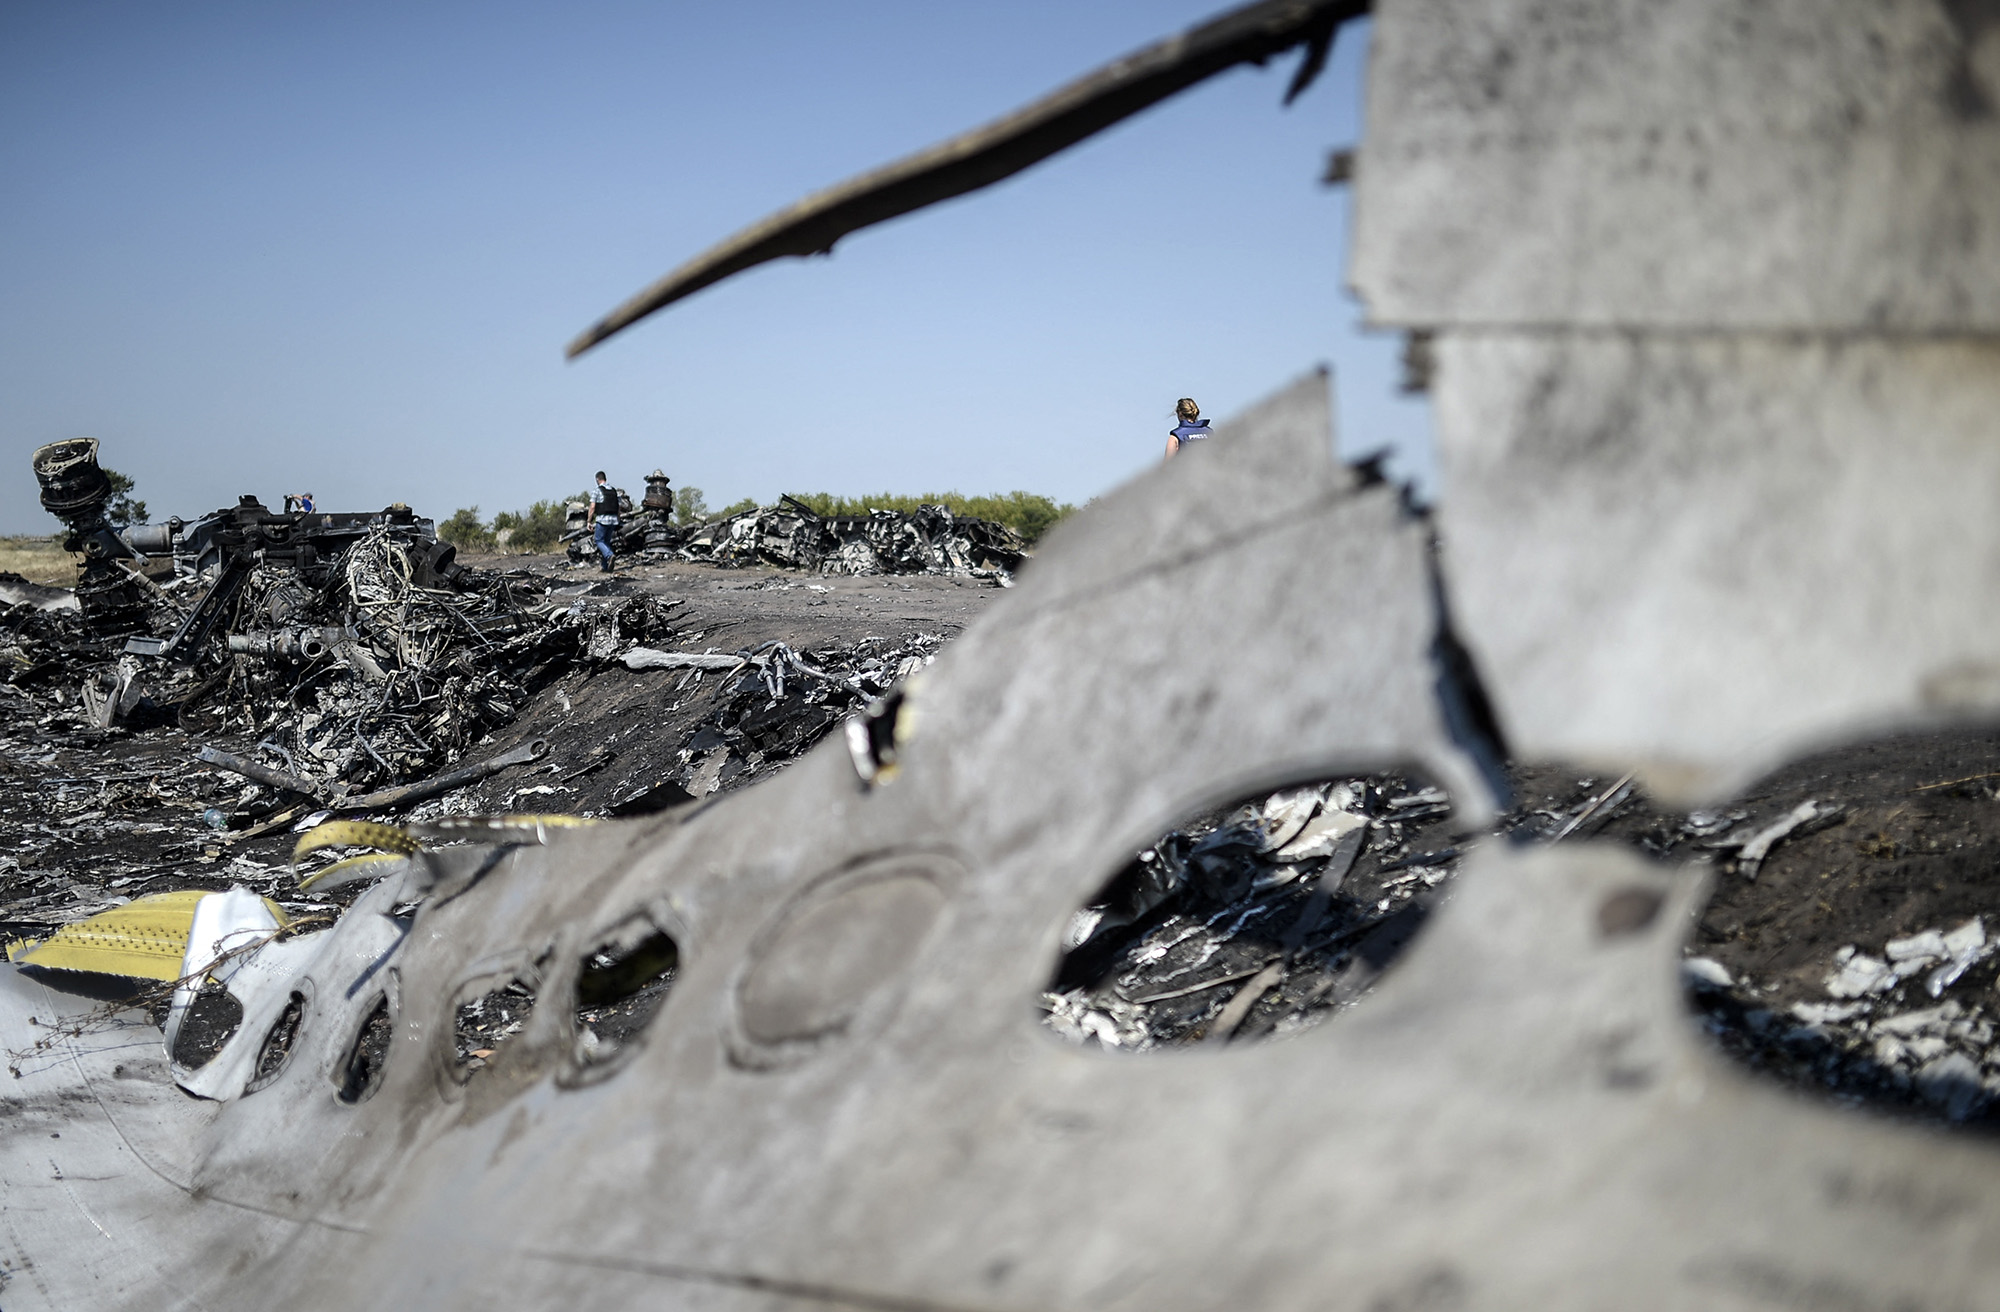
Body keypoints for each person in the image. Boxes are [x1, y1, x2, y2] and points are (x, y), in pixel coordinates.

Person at [587, 470, 619, 572]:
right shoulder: (613, 491)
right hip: (613, 520)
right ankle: (605, 567)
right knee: (606, 543)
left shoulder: (597, 490)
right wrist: (618, 519)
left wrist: (589, 521)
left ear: (597, 479)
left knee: (599, 540)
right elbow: (618, 507)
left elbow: (592, 507)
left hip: (602, 520)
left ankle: (610, 556)